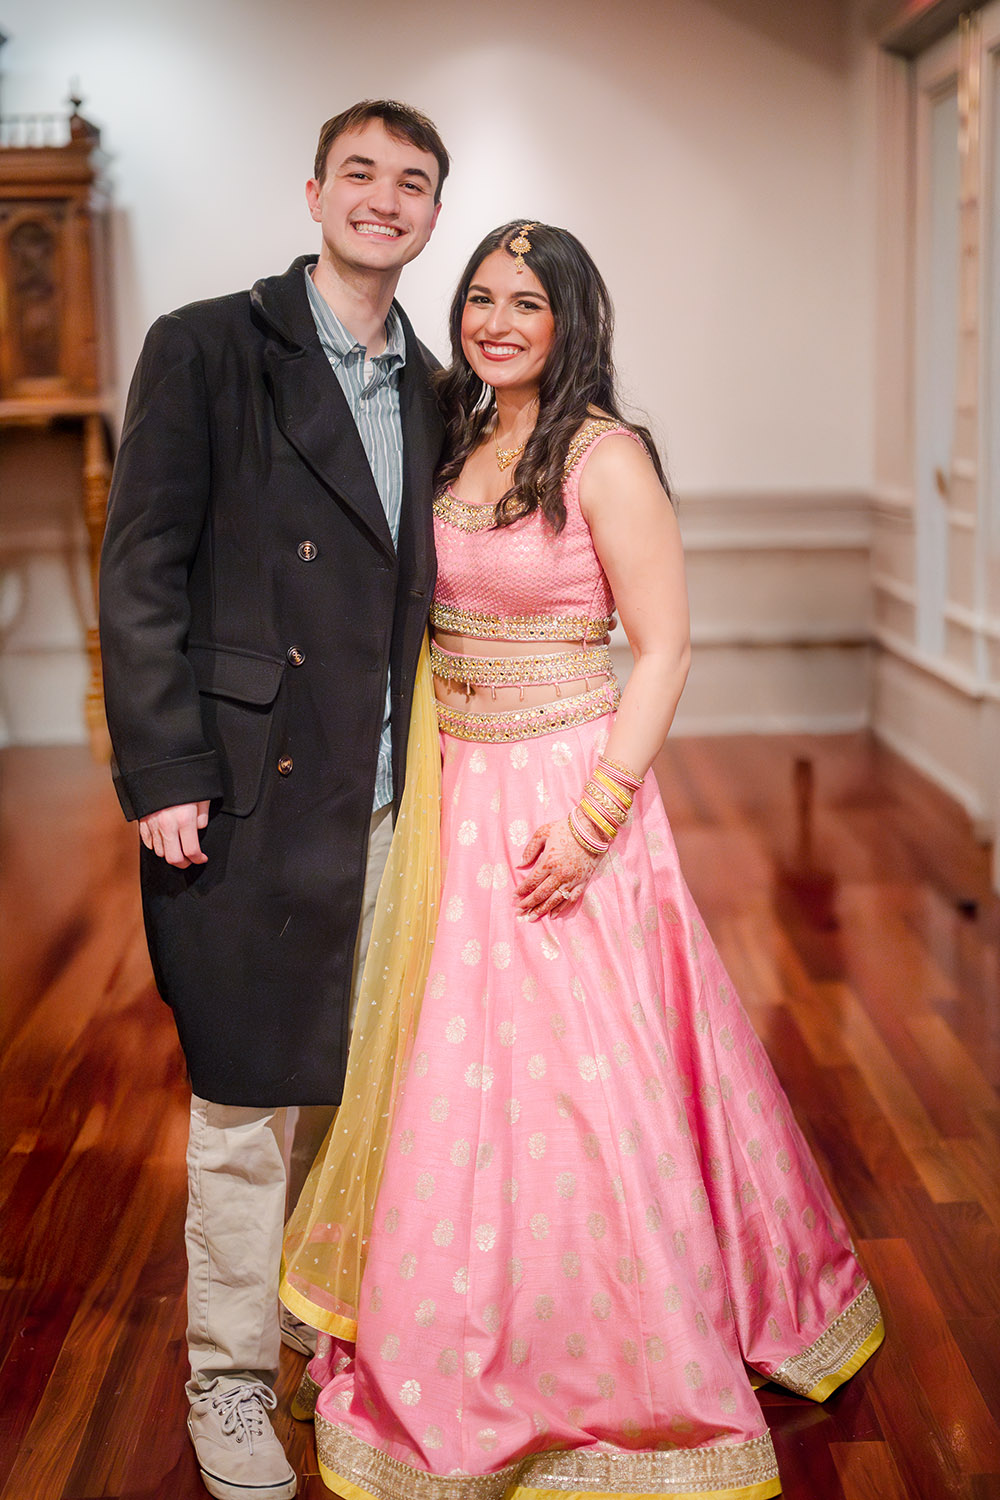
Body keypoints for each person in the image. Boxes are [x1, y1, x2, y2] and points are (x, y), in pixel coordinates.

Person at [279, 222, 884, 1500]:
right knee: (454, 1073)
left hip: (564, 796)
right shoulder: (450, 438)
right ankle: (454, 1318)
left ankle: (614, 1347)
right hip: (457, 783)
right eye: (482, 297)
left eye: (527, 303)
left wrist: (596, 816)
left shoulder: (603, 457)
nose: (497, 320)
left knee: (581, 1084)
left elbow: (662, 649)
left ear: (570, 323)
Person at [99, 100, 449, 1500]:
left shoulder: (435, 385)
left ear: (431, 214)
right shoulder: (206, 347)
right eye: (360, 173)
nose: (384, 199)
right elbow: (141, 573)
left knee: (367, 1094)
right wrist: (167, 767)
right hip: (247, 788)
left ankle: (324, 1341)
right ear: (314, 192)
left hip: (392, 796)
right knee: (248, 1101)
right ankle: (229, 1383)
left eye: (411, 182)